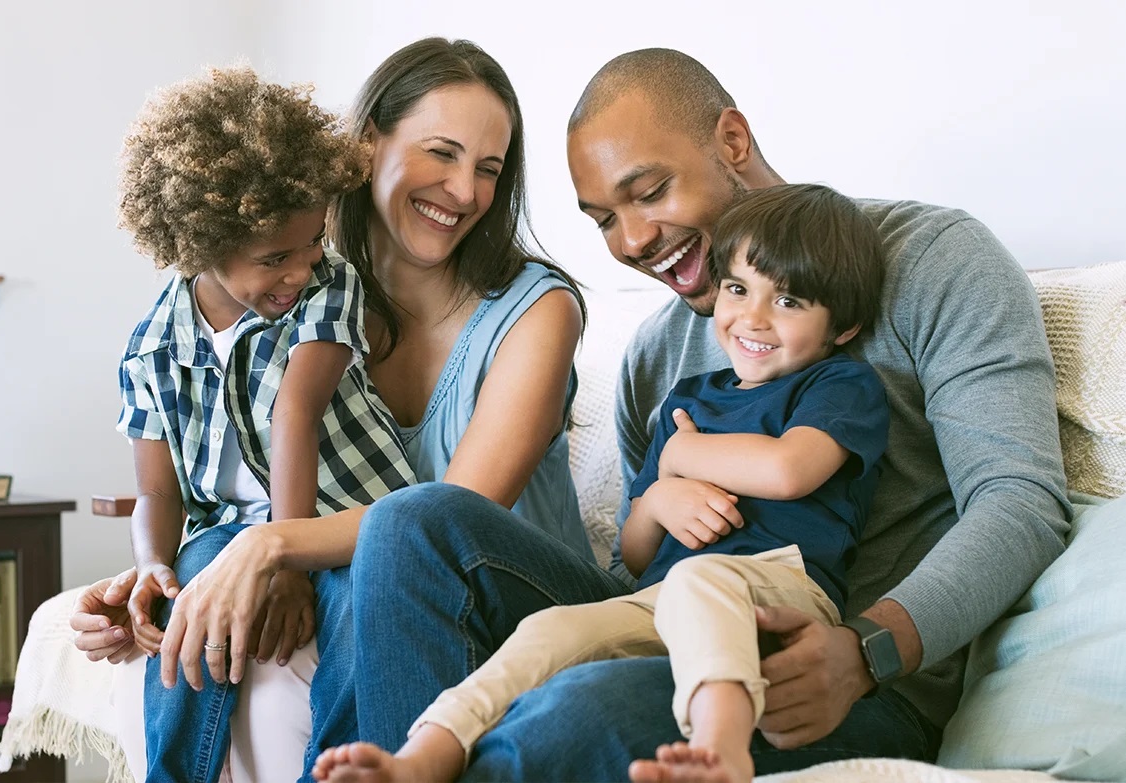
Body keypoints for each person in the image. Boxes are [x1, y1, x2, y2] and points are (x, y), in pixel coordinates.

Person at [333, 46, 1072, 781]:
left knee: (573, 710)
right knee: (412, 522)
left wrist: (866, 649)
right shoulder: (657, 355)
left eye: (649, 191)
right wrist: (660, 498)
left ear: (731, 142)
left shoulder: (933, 260)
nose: (631, 241)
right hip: (674, 625)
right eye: (602, 220)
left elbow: (1020, 502)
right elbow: (638, 562)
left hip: (838, 675)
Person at [70, 38, 595, 783]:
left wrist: (272, 545)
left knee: (384, 549)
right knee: (216, 570)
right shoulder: (297, 288)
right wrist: (158, 575)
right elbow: (207, 466)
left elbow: (452, 517)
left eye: (488, 168)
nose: (466, 191)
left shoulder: (534, 311)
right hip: (372, 569)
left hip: (510, 593)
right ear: (367, 143)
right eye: (441, 153)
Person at [312, 182, 890, 783]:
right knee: (550, 630)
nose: (753, 318)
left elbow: (788, 469)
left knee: (700, 578)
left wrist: (684, 455)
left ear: (842, 327)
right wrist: (661, 495)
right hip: (659, 599)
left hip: (781, 591)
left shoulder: (837, 386)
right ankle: (423, 756)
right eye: (738, 289)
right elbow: (637, 555)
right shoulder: (688, 400)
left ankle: (722, 750)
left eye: (789, 302)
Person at [110, 64, 414, 783]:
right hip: (228, 529)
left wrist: (287, 559)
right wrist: (154, 562)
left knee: (356, 606)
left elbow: (294, 413)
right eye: (275, 257)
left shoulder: (327, 284)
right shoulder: (151, 348)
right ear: (197, 245)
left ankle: (339, 771)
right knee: (193, 589)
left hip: (347, 515)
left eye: (311, 243)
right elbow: (158, 493)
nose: (300, 269)